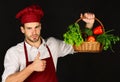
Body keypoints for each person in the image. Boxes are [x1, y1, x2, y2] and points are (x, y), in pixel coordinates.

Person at [2, 4, 95, 82]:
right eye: (29, 28)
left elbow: (78, 45)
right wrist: (31, 68)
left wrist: (89, 25)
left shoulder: (52, 44)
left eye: (36, 27)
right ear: (22, 30)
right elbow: (8, 80)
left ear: (40, 26)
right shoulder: (14, 52)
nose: (34, 32)